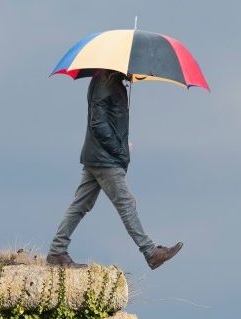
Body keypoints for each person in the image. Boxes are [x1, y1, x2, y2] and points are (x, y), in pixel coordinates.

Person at [46, 69, 182, 270]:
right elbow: (98, 123)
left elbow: (106, 121)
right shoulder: (106, 82)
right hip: (105, 159)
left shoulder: (109, 80)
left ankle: (57, 251)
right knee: (126, 203)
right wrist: (120, 149)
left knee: (80, 205)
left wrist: (121, 143)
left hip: (97, 156)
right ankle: (150, 252)